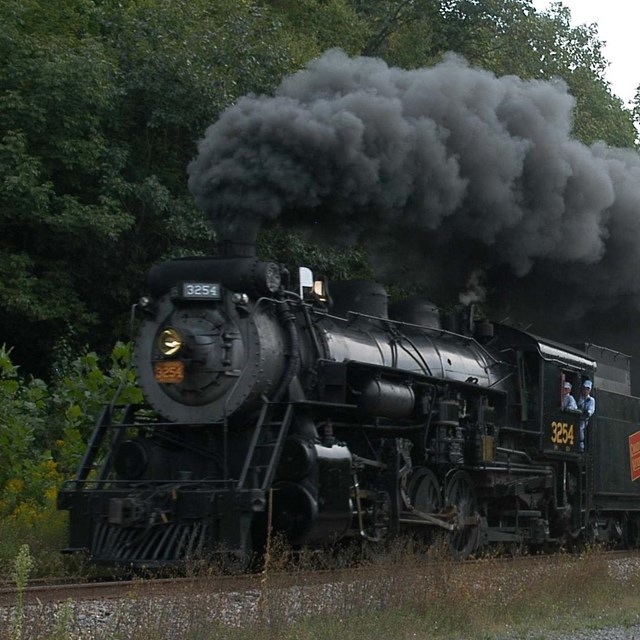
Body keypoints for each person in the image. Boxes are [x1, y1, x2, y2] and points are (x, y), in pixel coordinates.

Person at [577, 380, 595, 452]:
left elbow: (592, 409)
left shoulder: (591, 400)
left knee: (581, 428)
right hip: (577, 416)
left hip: (583, 419)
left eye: (587, 389)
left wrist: (588, 412)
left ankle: (581, 445)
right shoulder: (579, 397)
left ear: (590, 390)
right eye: (585, 388)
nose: (586, 390)